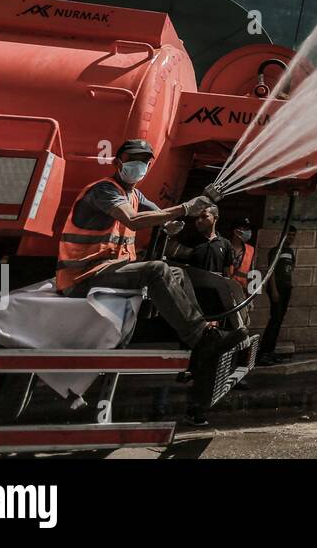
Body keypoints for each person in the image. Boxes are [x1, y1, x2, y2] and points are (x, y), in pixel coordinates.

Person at [55, 139, 243, 425]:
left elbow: (158, 217)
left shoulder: (134, 194)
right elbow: (133, 221)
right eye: (133, 159)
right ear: (118, 162)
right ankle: (202, 339)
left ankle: (201, 330)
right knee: (156, 269)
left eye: (145, 161)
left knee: (176, 272)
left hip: (108, 272)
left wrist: (172, 222)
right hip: (83, 277)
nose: (139, 166)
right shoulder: (104, 190)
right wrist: (183, 210)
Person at [259, 225, 297, 365]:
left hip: (286, 288)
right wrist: (274, 290)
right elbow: (271, 271)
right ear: (283, 235)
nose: (291, 238)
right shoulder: (276, 251)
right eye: (289, 235)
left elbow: (291, 267)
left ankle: (271, 350)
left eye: (293, 235)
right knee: (275, 320)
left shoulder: (290, 251)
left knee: (279, 320)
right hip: (277, 289)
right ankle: (264, 352)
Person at [227, 218, 256, 294]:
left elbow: (254, 274)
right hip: (224, 291)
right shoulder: (224, 247)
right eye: (245, 229)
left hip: (242, 293)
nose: (249, 232)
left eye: (249, 229)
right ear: (236, 231)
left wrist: (251, 297)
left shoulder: (251, 250)